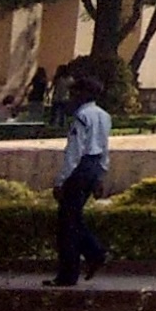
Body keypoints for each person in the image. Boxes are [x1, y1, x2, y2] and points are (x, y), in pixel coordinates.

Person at [47, 73, 111, 287]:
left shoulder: (82, 116)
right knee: (73, 219)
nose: (71, 97)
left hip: (80, 168)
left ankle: (82, 263)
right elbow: (104, 148)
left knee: (67, 223)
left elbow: (74, 150)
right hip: (93, 167)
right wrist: (100, 176)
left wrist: (61, 181)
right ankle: (91, 255)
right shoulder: (104, 116)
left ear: (84, 94)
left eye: (75, 92)